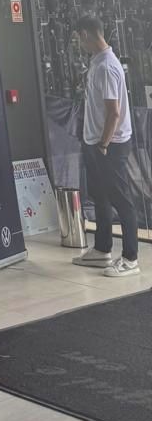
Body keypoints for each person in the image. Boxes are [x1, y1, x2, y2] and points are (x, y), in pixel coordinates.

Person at [71, 15, 141, 277]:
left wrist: (103, 144)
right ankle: (102, 249)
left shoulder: (107, 67)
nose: (79, 43)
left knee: (121, 199)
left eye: (79, 38)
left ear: (87, 34)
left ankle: (131, 258)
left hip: (110, 145)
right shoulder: (97, 63)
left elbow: (114, 112)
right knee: (100, 196)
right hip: (96, 143)